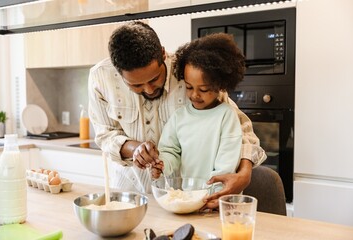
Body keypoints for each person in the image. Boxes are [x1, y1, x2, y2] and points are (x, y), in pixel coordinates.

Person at [88, 21, 266, 209]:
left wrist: (244, 174)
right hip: (129, 190)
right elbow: (105, 135)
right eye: (136, 85)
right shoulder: (100, 78)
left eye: (154, 79)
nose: (148, 90)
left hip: (186, 196)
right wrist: (137, 149)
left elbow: (241, 128)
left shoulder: (191, 71)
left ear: (163, 54)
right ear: (118, 73)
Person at [147, 33, 245, 184]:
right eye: (188, 87)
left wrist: (211, 195)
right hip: (189, 196)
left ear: (220, 85)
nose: (194, 95)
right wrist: (162, 165)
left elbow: (226, 165)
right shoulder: (179, 117)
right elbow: (170, 151)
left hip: (217, 198)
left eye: (204, 89)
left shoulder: (226, 116)